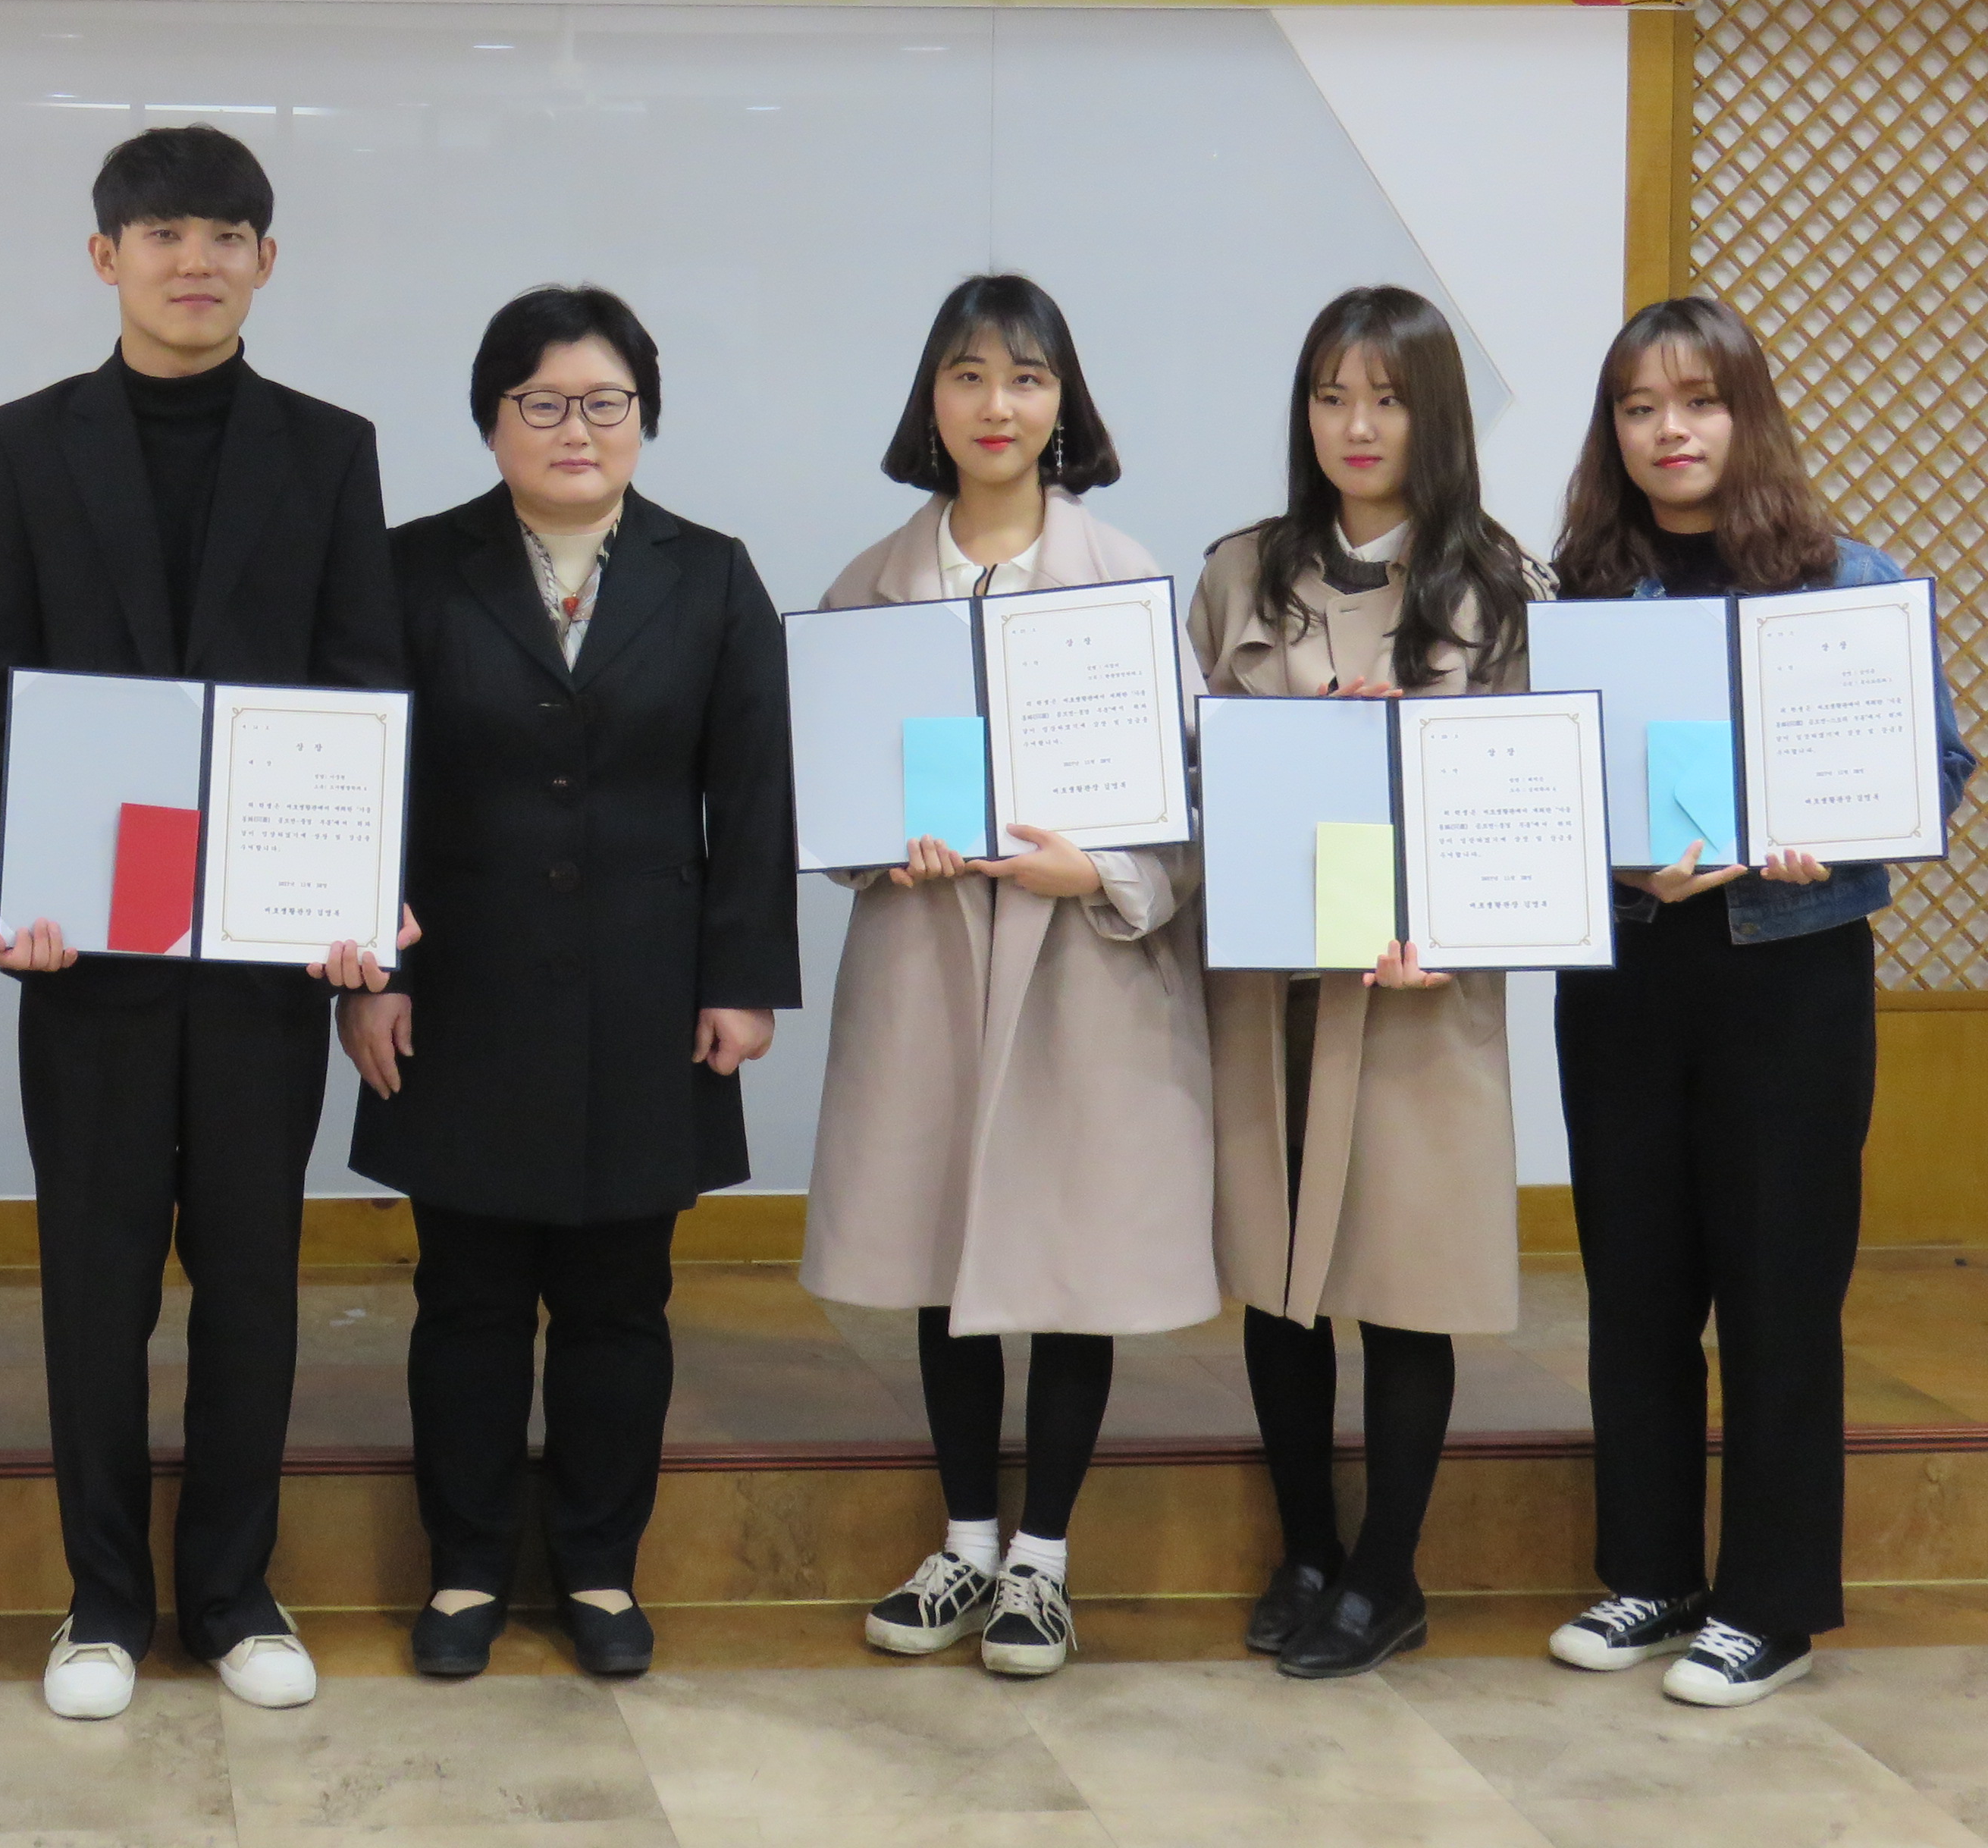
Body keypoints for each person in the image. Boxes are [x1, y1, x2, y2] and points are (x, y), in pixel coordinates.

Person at [0, 123, 405, 1721]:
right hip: (88, 951)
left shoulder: (329, 449)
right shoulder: (23, 445)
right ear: (106, 258)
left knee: (253, 1281)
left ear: (266, 263)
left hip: (265, 954)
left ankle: (233, 1593)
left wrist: (356, 901)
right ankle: (100, 1602)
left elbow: (361, 685)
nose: (194, 261)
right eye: (163, 235)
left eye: (225, 235)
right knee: (94, 1286)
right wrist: (10, 882)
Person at [338, 286, 795, 1680]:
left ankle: (599, 1567)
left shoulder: (711, 575)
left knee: (620, 1300)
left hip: (649, 996)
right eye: (541, 403)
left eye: (606, 402)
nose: (575, 428)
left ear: (645, 418)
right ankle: (467, 1569)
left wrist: (744, 980)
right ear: (492, 421)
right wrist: (368, 972)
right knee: (466, 1299)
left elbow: (753, 794)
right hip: (458, 992)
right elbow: (364, 783)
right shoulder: (414, 568)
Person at [1543, 295, 1970, 1706]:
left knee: (1781, 1291)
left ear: (1746, 413)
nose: (1669, 430)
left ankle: (1770, 1605)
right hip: (1624, 972)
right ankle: (1650, 1574)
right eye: (1639, 408)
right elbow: (1538, 789)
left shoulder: (1842, 578)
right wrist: (1604, 856)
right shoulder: (1582, 592)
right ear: (1613, 432)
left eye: (1698, 401)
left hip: (1788, 975)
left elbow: (1938, 766)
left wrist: (1826, 832)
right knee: (1636, 1285)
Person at [801, 273, 1214, 1678]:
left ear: (1063, 403)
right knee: (943, 1249)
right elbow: (832, 799)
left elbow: (1191, 808)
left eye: (1027, 378)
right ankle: (967, 1541)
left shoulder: (1125, 581)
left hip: (1082, 970)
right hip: (929, 963)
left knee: (1074, 1254)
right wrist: (881, 846)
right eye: (970, 375)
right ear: (931, 399)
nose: (998, 405)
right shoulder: (869, 586)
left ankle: (1044, 1561)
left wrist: (1097, 873)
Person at [1188, 286, 1539, 1678]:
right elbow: (1186, 777)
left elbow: (1533, 805)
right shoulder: (1240, 572)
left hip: (1415, 993)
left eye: (1387, 399)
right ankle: (1306, 1548)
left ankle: (1387, 1575)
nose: (1357, 425)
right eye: (1331, 397)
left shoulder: (1499, 587)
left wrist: (1449, 907)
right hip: (1273, 979)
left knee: (1403, 1282)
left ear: (1432, 416)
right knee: (1281, 1286)